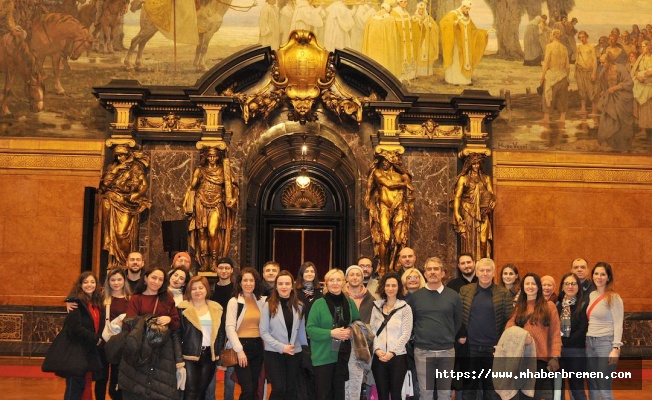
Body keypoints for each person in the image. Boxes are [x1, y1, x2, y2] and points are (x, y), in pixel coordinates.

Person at [120, 267, 184, 400]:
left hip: (162, 349)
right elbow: (129, 322)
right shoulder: (136, 298)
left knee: (159, 388)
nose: (157, 281)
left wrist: (169, 319)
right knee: (138, 384)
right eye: (154, 278)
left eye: (160, 279)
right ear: (145, 278)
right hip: (140, 346)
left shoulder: (168, 298)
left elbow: (176, 322)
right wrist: (150, 320)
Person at [407, 257, 462, 400]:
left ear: (443, 273)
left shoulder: (453, 296)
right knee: (425, 394)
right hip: (423, 352)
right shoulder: (416, 297)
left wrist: (446, 337)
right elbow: (411, 323)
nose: (432, 272)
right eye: (429, 269)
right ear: (424, 274)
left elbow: (457, 322)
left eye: (436, 269)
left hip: (446, 352)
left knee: (445, 394)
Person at [458, 258, 513, 400]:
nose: (485, 273)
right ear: (476, 272)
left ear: (494, 273)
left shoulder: (503, 293)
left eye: (488, 270)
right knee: (469, 387)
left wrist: (502, 344)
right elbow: (458, 316)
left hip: (493, 348)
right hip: (471, 348)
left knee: (492, 388)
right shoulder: (465, 291)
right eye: (481, 270)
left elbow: (509, 321)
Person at [505, 273, 562, 400]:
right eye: (527, 283)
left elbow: (555, 334)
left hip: (540, 360)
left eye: (533, 283)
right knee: (520, 396)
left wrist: (555, 357)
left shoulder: (549, 307)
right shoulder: (519, 307)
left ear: (538, 287)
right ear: (522, 287)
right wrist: (521, 336)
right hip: (521, 358)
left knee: (534, 396)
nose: (530, 286)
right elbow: (509, 327)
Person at [306, 268, 360, 400]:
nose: (335, 283)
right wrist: (331, 333)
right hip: (323, 356)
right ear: (326, 283)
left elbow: (358, 323)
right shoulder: (318, 304)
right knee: (324, 395)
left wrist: (351, 331)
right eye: (331, 280)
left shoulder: (350, 302)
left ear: (343, 282)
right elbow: (310, 329)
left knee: (339, 394)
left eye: (338, 279)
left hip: (343, 356)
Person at [184, 145, 238, 272]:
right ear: (206, 157)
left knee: (213, 232)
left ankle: (214, 260)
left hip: (217, 203)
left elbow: (234, 187)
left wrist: (233, 199)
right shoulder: (200, 170)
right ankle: (205, 261)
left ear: (218, 156)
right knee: (202, 233)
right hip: (201, 202)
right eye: (209, 156)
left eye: (214, 156)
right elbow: (192, 186)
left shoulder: (224, 170)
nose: (212, 158)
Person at [99, 144, 151, 269]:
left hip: (127, 203)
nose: (120, 158)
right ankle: (116, 264)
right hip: (112, 201)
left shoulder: (135, 167)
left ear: (127, 155)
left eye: (122, 155)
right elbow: (104, 185)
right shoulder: (113, 167)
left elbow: (143, 185)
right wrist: (116, 170)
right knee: (113, 234)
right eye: (117, 156)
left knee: (123, 234)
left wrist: (135, 195)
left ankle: (124, 262)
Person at [365, 148, 414, 276]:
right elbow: (388, 184)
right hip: (384, 207)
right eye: (383, 161)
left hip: (398, 206)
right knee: (385, 238)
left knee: (399, 239)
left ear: (392, 162)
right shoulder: (378, 172)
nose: (384, 163)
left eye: (387, 161)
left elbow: (410, 195)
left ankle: (394, 266)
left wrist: (408, 189)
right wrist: (404, 184)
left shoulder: (401, 176)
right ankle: (382, 267)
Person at [260, 271, 308, 400]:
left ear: (292, 286)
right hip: (274, 353)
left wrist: (305, 351)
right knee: (279, 388)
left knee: (291, 389)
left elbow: (301, 331)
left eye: (287, 283)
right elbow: (263, 332)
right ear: (276, 286)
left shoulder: (299, 306)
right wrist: (281, 347)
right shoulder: (268, 306)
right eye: (280, 283)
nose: (284, 286)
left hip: (294, 353)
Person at [178, 276, 223, 400]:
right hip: (189, 355)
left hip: (209, 355)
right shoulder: (183, 309)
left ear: (206, 289)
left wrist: (218, 355)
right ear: (189, 291)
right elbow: (177, 334)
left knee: (202, 390)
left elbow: (219, 334)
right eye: (194, 289)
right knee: (191, 390)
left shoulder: (216, 308)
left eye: (201, 288)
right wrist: (178, 357)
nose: (197, 291)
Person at [225, 267, 267, 400]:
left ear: (256, 283)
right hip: (241, 347)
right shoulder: (234, 301)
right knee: (247, 389)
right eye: (245, 280)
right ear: (240, 283)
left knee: (254, 387)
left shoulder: (261, 301)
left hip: (257, 346)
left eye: (251, 280)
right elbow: (230, 328)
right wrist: (239, 350)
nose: (248, 283)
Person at [370, 272, 413, 400]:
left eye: (393, 285)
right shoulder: (376, 307)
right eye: (387, 285)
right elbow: (372, 331)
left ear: (398, 287)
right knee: (382, 394)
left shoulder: (405, 308)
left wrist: (392, 352)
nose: (390, 288)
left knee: (396, 394)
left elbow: (406, 334)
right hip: (379, 357)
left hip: (398, 357)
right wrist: (377, 350)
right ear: (383, 287)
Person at [62, 272, 105, 400]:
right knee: (74, 386)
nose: (89, 285)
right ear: (80, 285)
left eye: (92, 282)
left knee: (85, 384)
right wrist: (95, 338)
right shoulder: (75, 302)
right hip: (77, 350)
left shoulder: (96, 302)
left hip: (89, 351)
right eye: (85, 282)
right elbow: (75, 328)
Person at [586, 262, 624, 400]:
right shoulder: (592, 295)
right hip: (590, 343)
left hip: (606, 344)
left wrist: (615, 347)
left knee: (604, 385)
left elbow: (619, 324)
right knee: (593, 384)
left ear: (608, 277)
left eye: (603, 274)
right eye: (596, 273)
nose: (599, 277)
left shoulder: (614, 297)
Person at [452, 152, 496, 261]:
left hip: (483, 212)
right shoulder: (464, 179)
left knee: (483, 239)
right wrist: (457, 214)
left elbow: (491, 194)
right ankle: (470, 263)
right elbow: (457, 197)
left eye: (478, 163)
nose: (476, 166)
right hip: (468, 211)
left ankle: (483, 263)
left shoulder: (486, 178)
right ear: (469, 165)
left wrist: (492, 202)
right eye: (474, 164)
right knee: (469, 240)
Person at [439, 0, 489, 85]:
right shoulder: (453, 14)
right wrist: (454, 23)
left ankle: (465, 80)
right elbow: (443, 23)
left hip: (465, 45)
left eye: (469, 9)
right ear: (463, 7)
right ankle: (453, 80)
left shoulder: (467, 17)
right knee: (456, 63)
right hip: (456, 45)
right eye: (467, 9)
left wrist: (484, 33)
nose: (468, 11)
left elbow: (474, 30)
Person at [556, 273, 588, 400]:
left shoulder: (583, 305)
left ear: (578, 287)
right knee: (558, 388)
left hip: (576, 352)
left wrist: (565, 341)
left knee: (577, 388)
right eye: (567, 283)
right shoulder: (557, 305)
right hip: (558, 352)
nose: (570, 286)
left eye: (573, 283)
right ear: (562, 286)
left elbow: (582, 329)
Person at [208, 257, 236, 400]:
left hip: (230, 336)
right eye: (221, 268)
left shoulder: (237, 290)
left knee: (230, 378)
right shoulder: (209, 289)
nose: (224, 271)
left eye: (227, 268)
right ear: (216, 269)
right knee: (211, 376)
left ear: (231, 270)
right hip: (212, 335)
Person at [294, 261, 322, 400]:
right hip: (300, 338)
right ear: (301, 274)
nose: (309, 274)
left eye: (312, 271)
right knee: (301, 373)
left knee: (314, 372)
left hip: (316, 339)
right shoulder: (295, 292)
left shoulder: (320, 293)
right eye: (306, 271)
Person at [597, 53, 634, 152]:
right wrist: (604, 91)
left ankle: (624, 147)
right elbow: (604, 84)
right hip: (610, 98)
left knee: (621, 121)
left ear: (609, 61)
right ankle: (612, 145)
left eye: (603, 62)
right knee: (608, 119)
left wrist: (615, 87)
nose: (601, 64)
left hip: (622, 98)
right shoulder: (604, 71)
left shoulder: (620, 68)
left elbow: (629, 83)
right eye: (600, 62)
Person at [103, 268, 131, 400]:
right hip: (107, 341)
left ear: (124, 281)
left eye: (119, 279)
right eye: (112, 280)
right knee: (105, 377)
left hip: (124, 343)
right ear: (108, 282)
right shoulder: (103, 298)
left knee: (120, 375)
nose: (116, 283)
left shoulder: (131, 298)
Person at [361, 1, 401, 78]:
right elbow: (393, 39)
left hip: (372, 50)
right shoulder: (390, 19)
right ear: (390, 8)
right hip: (384, 53)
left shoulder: (371, 18)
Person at [541, 29, 570, 123]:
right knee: (562, 98)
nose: (550, 35)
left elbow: (546, 63)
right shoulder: (564, 48)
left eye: (550, 34)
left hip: (551, 76)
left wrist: (542, 78)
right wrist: (567, 77)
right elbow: (568, 65)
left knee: (548, 96)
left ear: (553, 36)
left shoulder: (549, 46)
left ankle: (546, 118)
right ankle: (562, 118)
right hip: (562, 76)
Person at [391, 0, 417, 82]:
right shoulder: (394, 12)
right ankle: (401, 76)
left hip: (408, 40)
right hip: (400, 40)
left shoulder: (406, 12)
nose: (406, 3)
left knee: (409, 55)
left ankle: (408, 76)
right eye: (405, 1)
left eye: (407, 1)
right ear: (399, 2)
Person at [575, 31, 599, 116]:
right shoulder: (579, 47)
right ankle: (583, 109)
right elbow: (577, 60)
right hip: (579, 70)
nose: (582, 39)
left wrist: (594, 73)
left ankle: (594, 110)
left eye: (583, 37)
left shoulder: (591, 46)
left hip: (589, 70)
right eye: (580, 37)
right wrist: (575, 71)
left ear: (586, 37)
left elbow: (595, 61)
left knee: (591, 90)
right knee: (581, 89)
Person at [632, 40, 652, 140]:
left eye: (644, 46)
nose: (642, 48)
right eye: (642, 46)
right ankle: (643, 131)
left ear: (649, 47)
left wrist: (643, 75)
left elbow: (650, 73)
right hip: (640, 84)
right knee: (642, 107)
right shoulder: (641, 57)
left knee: (647, 108)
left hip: (649, 85)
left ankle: (646, 131)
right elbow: (634, 71)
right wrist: (638, 75)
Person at [412, 1, 439, 77]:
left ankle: (427, 72)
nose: (421, 11)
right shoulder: (414, 18)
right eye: (420, 9)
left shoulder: (428, 18)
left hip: (427, 40)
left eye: (422, 9)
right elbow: (413, 28)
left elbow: (436, 28)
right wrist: (419, 24)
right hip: (419, 40)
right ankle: (419, 72)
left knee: (428, 53)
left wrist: (431, 26)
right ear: (417, 9)